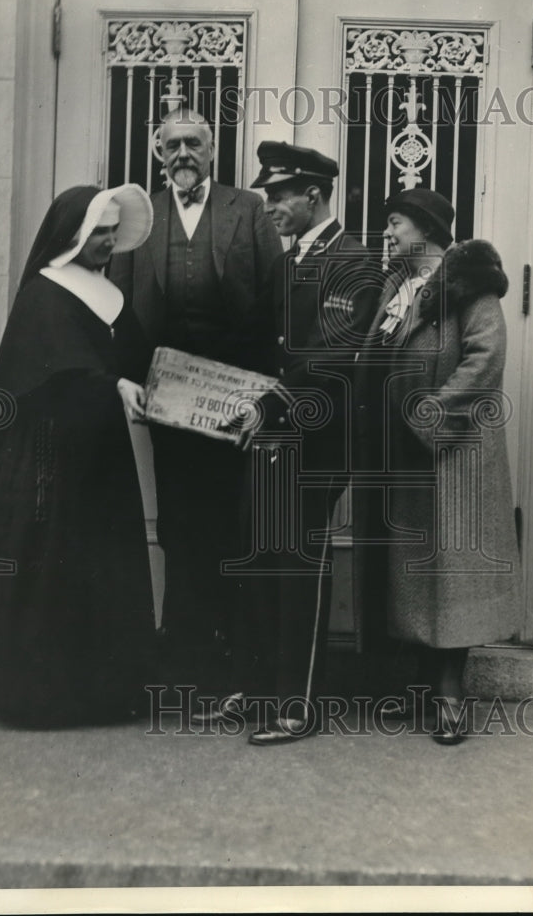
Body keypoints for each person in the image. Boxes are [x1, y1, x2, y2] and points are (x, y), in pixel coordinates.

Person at [0, 184, 157, 726]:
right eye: (99, 231)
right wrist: (113, 384)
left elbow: (137, 360)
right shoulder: (44, 292)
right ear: (73, 234)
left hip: (99, 451)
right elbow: (58, 369)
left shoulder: (109, 292)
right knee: (51, 557)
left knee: (100, 557)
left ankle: (103, 688)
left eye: (113, 231)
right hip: (49, 453)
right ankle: (39, 692)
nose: (108, 241)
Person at [108, 109, 281, 696]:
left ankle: (231, 654)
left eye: (194, 144)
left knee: (232, 519)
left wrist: (259, 392)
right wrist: (130, 380)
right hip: (168, 399)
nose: (183, 154)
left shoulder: (248, 208)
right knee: (180, 523)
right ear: (159, 154)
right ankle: (182, 657)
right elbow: (123, 306)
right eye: (172, 145)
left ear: (212, 151)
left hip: (232, 399)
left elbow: (271, 298)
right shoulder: (142, 218)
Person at [213, 141, 372, 746]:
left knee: (299, 566)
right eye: (267, 196)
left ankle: (297, 706)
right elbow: (263, 345)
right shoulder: (289, 260)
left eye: (279, 196)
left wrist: (265, 403)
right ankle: (258, 692)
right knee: (265, 559)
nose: (270, 207)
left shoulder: (352, 259)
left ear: (313, 195)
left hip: (317, 441)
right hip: (273, 436)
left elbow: (332, 357)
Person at [352, 187, 520, 744]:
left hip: (452, 454)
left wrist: (429, 412)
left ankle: (451, 697)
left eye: (394, 223)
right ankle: (423, 690)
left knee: (449, 577)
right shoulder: (399, 289)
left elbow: (486, 358)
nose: (386, 233)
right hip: (406, 456)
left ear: (423, 230)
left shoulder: (470, 284)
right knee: (418, 576)